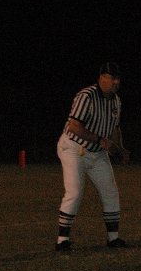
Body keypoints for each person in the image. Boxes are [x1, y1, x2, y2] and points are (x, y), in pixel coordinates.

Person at [55, 62, 130, 251]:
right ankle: (62, 240)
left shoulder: (116, 101)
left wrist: (120, 149)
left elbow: (115, 128)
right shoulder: (86, 96)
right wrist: (99, 139)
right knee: (75, 191)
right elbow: (74, 127)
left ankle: (113, 238)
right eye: (111, 78)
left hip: (97, 152)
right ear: (101, 78)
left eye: (117, 78)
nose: (116, 82)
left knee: (110, 191)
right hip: (74, 148)